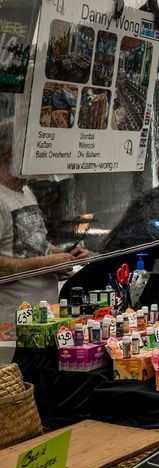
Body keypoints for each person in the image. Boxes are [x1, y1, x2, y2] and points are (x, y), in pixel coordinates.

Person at [0, 130, 90, 325]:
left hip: (44, 314)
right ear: (9, 153)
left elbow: (33, 243)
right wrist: (48, 262)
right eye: (32, 152)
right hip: (11, 319)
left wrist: (65, 254)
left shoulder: (25, 192)